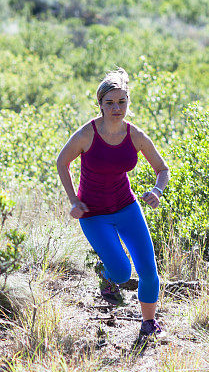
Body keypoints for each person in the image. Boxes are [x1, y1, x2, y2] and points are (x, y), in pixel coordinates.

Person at [56, 68, 170, 339]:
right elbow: (62, 161)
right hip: (93, 214)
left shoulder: (136, 135)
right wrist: (74, 201)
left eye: (122, 102)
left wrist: (157, 190)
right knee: (121, 272)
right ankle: (107, 276)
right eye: (110, 103)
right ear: (100, 104)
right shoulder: (87, 134)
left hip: (127, 207)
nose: (116, 108)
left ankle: (148, 323)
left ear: (128, 102)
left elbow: (162, 169)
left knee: (148, 270)